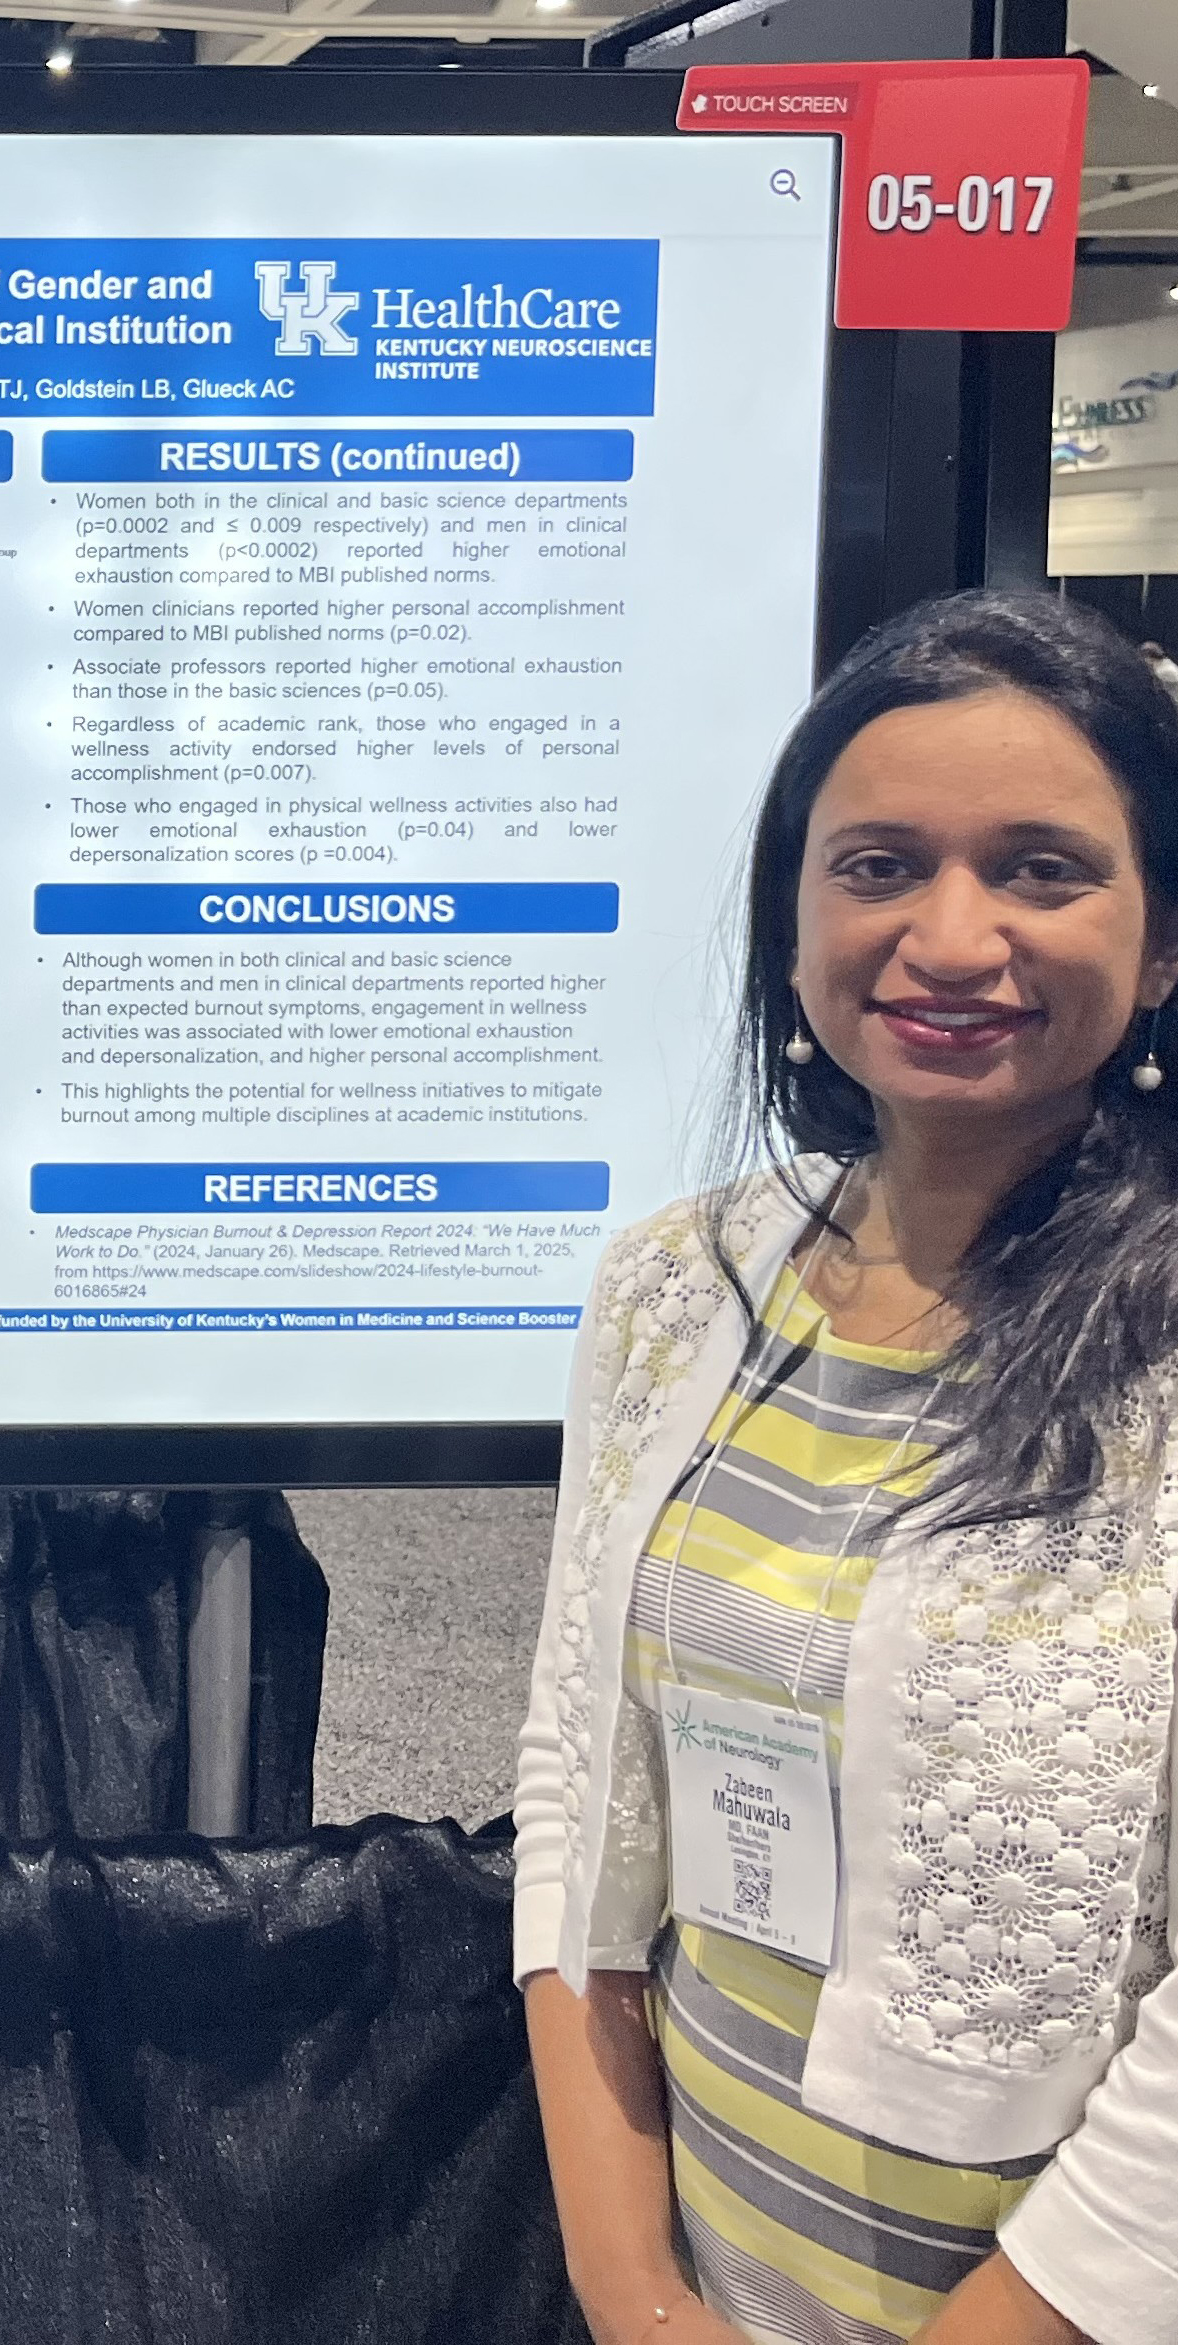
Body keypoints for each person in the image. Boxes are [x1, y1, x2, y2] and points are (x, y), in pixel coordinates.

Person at [516, 589, 1178, 2345]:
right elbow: (583, 1780)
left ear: (1168, 940)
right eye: (878, 864)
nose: (951, 938)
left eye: (1043, 868)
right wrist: (638, 2295)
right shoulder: (677, 1283)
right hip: (720, 2279)